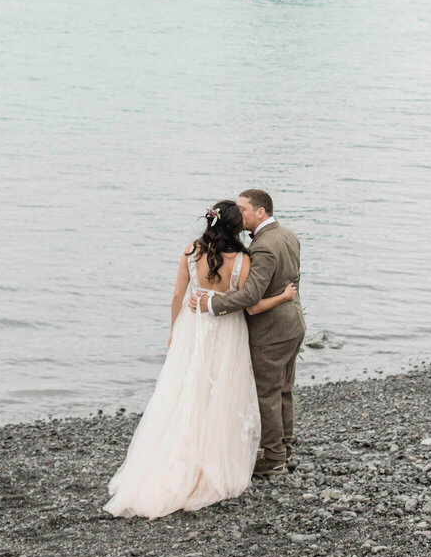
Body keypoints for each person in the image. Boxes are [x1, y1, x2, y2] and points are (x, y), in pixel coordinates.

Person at [104, 199, 297, 519]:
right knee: (223, 391)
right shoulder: (242, 259)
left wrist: (172, 330)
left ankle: (177, 457)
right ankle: (221, 457)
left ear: (211, 222)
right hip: (227, 331)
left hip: (193, 328)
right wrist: (284, 297)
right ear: (237, 227)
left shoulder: (191, 251)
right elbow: (250, 305)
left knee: (185, 390)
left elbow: (178, 296)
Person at [190, 189, 305, 476]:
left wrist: (211, 303)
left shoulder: (264, 246)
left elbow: (250, 296)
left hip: (271, 330)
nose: (238, 214)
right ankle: (286, 450)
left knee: (267, 394)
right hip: (293, 324)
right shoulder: (288, 234)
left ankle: (274, 458)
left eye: (243, 209)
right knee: (284, 391)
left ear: (260, 212)